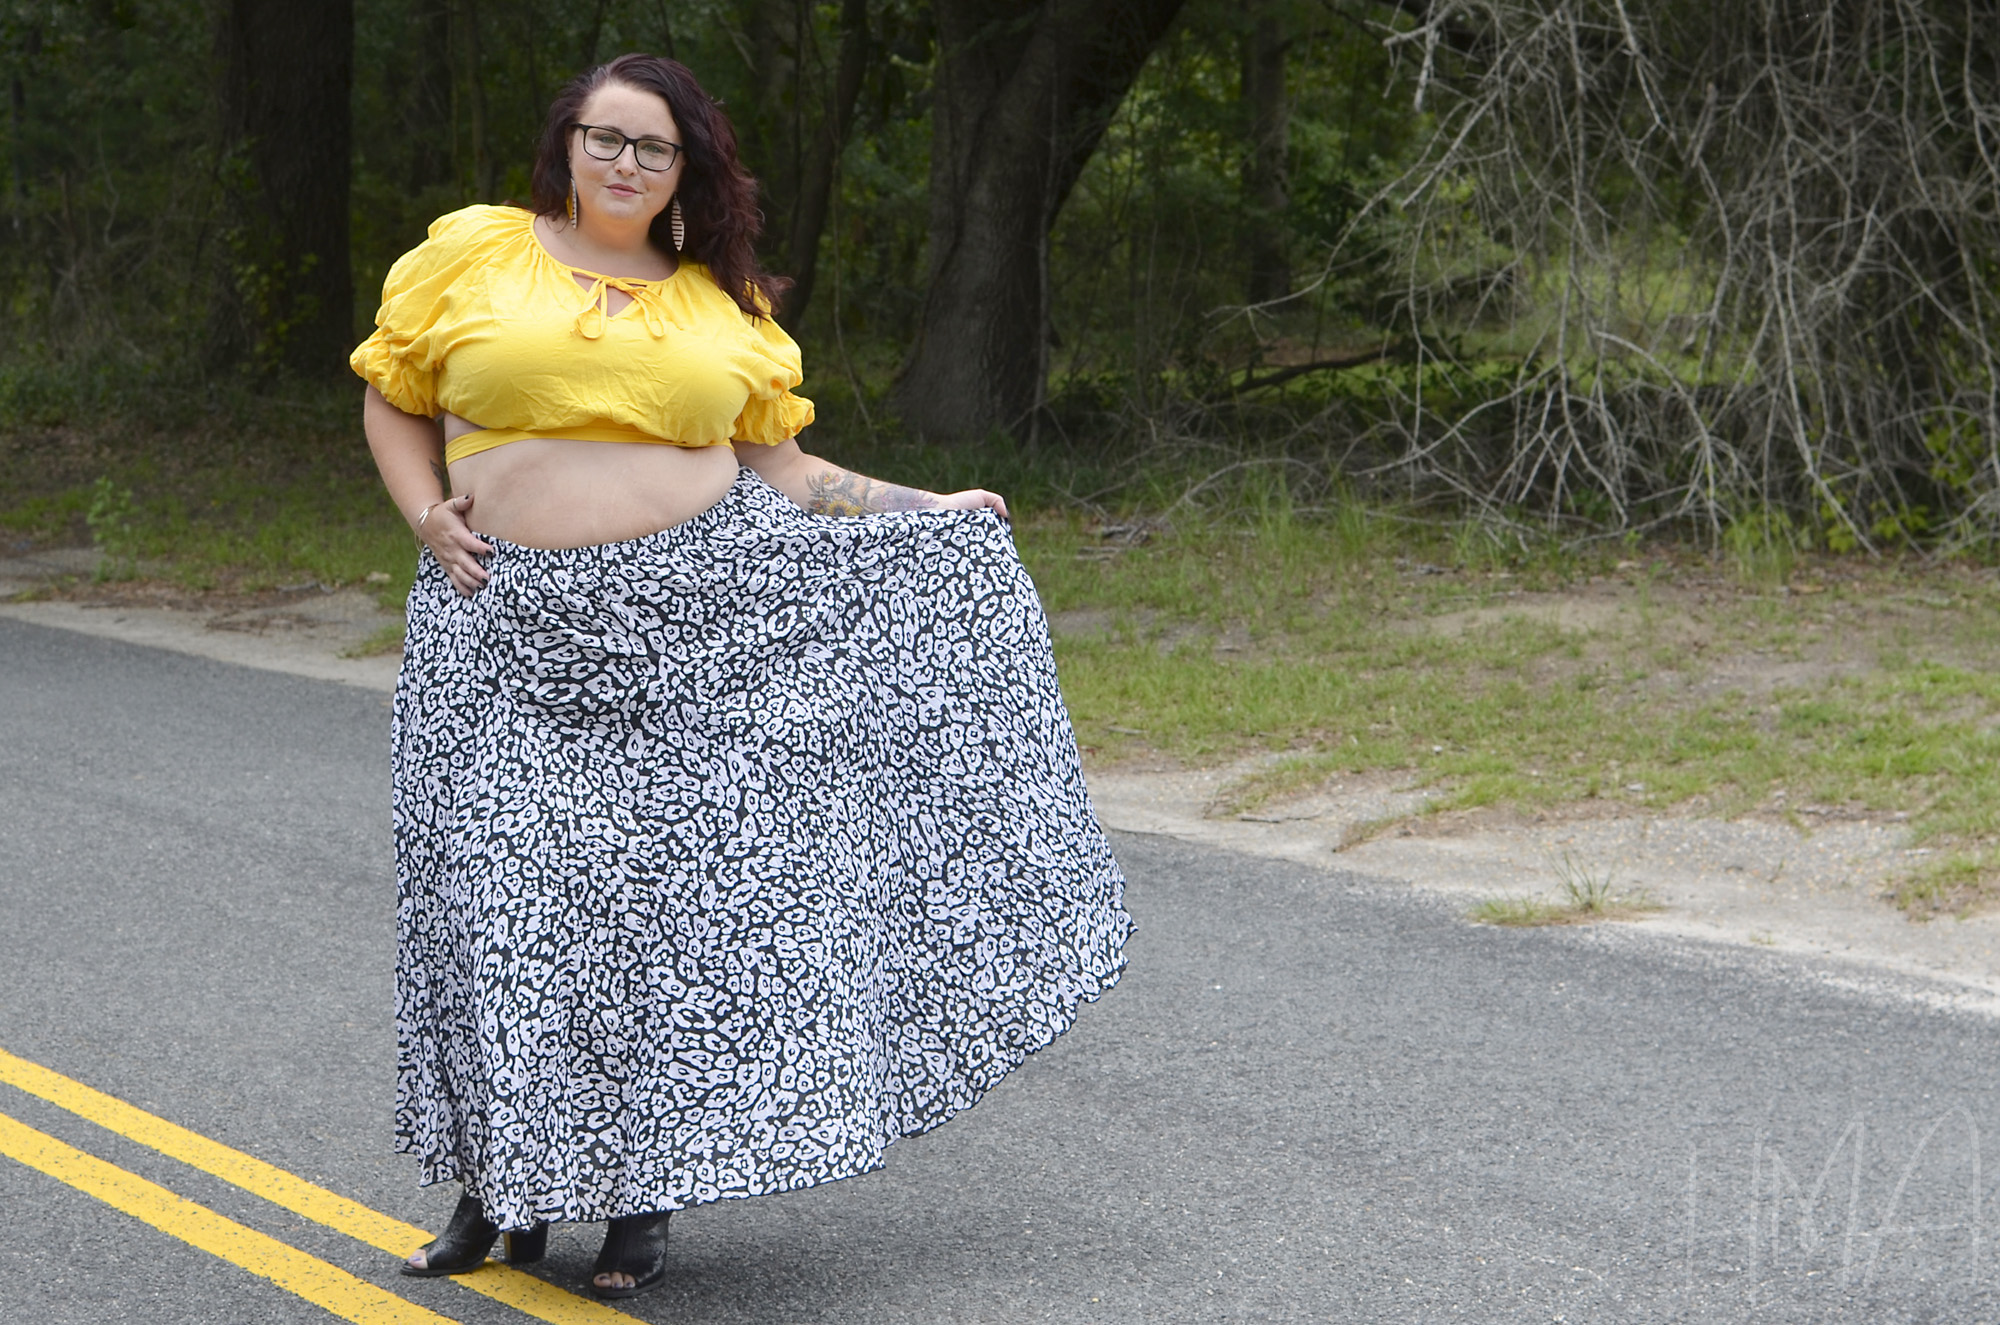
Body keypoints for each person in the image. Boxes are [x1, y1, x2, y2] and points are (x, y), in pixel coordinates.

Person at [350, 53, 1130, 1301]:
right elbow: (393, 399)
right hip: (503, 629)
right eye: (603, 138)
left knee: (660, 918)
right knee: (505, 905)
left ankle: (637, 1204)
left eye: (649, 148)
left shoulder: (723, 304)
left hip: (710, 628)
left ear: (684, 171)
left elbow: (788, 468)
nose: (621, 163)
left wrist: (926, 507)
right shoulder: (474, 257)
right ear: (565, 145)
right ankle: (496, 1192)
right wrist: (421, 520)